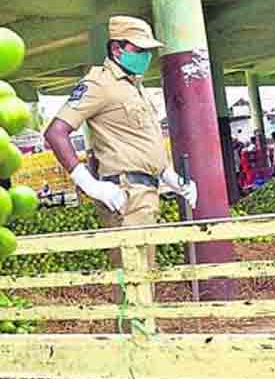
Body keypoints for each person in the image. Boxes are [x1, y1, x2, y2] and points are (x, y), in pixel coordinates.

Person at [43, 15, 197, 271]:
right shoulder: (99, 84)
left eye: (148, 51)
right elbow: (55, 132)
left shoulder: (135, 86)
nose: (146, 57)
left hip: (147, 192)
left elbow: (141, 142)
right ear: (116, 49)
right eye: (139, 50)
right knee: (134, 281)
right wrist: (91, 185)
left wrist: (173, 180)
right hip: (126, 194)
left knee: (145, 277)